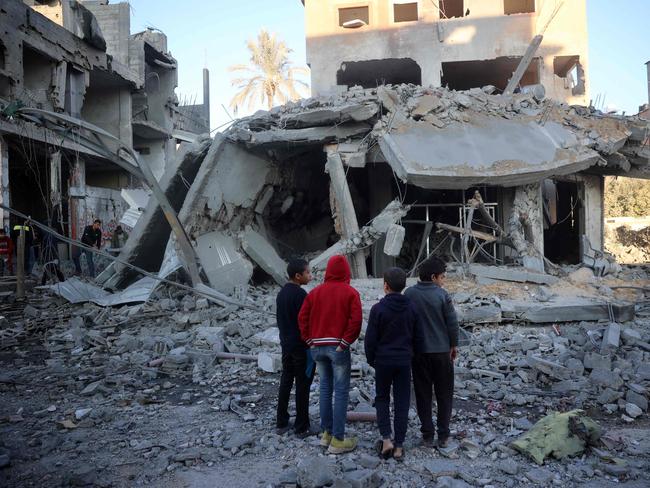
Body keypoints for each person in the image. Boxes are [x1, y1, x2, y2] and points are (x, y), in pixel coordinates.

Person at [299, 255, 362, 454]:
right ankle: (338, 439)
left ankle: (326, 434)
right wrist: (345, 342)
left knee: (325, 388)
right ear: (346, 272)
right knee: (341, 391)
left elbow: (302, 318)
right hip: (338, 348)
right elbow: (356, 320)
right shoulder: (350, 292)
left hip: (317, 348)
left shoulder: (314, 293)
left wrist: (309, 340)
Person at [364, 267, 419, 461]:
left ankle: (386, 439)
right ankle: (399, 446)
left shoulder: (378, 309)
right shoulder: (412, 307)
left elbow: (370, 340)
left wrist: (372, 359)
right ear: (404, 286)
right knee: (402, 401)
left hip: (383, 361)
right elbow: (417, 337)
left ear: (385, 286)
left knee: (382, 398)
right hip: (404, 361)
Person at [404, 256, 459, 448]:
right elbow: (452, 323)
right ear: (434, 277)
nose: (443, 281)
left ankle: (427, 434)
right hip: (442, 352)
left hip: (418, 354)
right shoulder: (442, 295)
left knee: (423, 393)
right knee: (444, 394)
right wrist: (453, 345)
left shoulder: (409, 294)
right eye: (443, 277)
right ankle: (444, 434)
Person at [275, 258, 315, 438]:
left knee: (286, 380)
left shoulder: (281, 293)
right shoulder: (301, 295)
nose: (311, 276)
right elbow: (305, 322)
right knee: (303, 384)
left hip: (286, 344)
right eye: (308, 273)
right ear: (298, 276)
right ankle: (301, 425)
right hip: (301, 346)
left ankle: (281, 421)